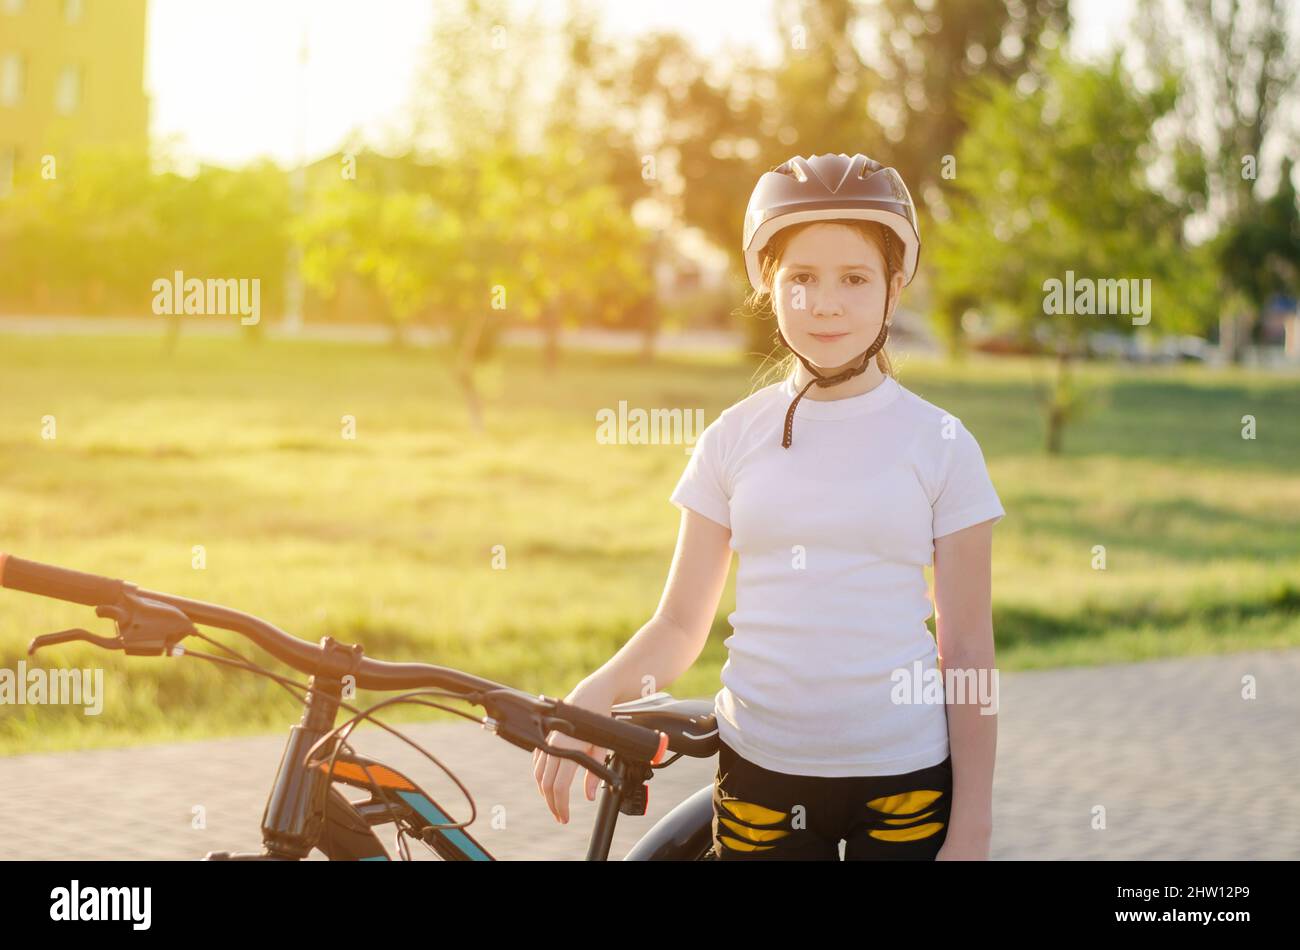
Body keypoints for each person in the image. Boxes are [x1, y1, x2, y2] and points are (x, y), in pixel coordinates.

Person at [533, 152, 1005, 860]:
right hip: (763, 775)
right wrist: (587, 700)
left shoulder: (941, 443)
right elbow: (678, 623)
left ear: (893, 287)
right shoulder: (733, 438)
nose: (825, 304)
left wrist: (972, 828)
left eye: (854, 278)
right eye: (801, 279)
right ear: (768, 286)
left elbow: (965, 649)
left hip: (905, 779)